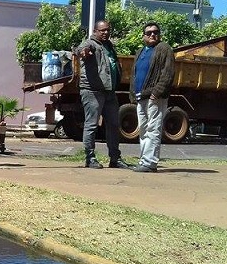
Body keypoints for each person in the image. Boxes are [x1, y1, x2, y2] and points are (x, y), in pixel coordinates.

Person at [74, 20, 132, 169]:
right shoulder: (90, 43)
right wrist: (83, 52)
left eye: (108, 30)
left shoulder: (109, 46)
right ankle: (90, 157)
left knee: (113, 124)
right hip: (93, 91)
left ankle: (115, 158)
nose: (106, 32)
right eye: (102, 30)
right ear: (95, 31)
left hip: (109, 91)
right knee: (92, 125)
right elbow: (80, 49)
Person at [130, 22, 176, 173]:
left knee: (153, 129)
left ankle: (150, 162)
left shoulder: (164, 48)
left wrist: (157, 92)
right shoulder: (140, 51)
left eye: (155, 32)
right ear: (143, 36)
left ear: (159, 34)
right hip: (140, 97)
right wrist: (133, 95)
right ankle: (144, 160)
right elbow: (134, 74)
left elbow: (167, 73)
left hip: (154, 97)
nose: (152, 35)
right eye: (148, 33)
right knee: (143, 130)